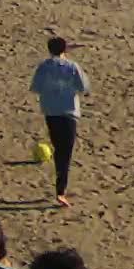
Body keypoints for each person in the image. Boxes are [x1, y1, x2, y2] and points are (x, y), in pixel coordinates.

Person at [29, 36, 91, 208]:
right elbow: (83, 87)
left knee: (59, 148)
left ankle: (60, 187)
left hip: (51, 112)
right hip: (69, 112)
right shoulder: (72, 66)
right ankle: (61, 191)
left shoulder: (43, 67)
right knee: (66, 151)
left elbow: (36, 88)